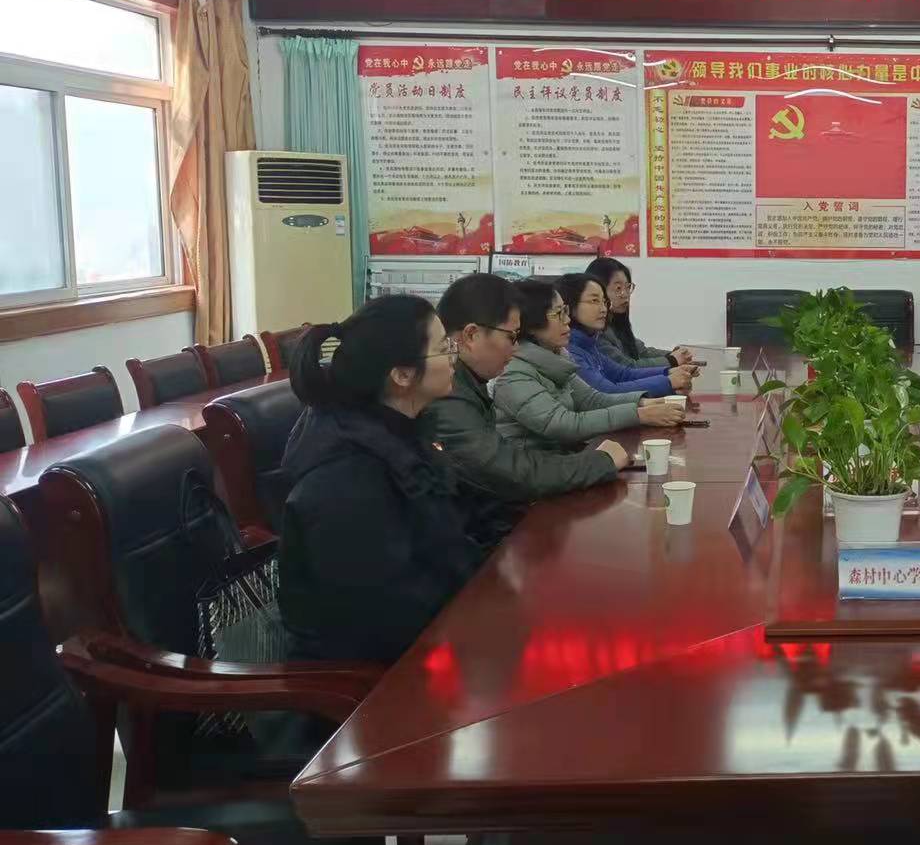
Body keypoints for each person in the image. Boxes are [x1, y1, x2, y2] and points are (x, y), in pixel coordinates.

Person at [277, 295, 482, 664]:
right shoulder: (346, 478)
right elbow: (385, 616)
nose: (454, 356)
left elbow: (444, 537)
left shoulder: (400, 430)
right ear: (402, 375)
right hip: (373, 679)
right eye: (444, 347)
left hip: (437, 634)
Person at [426, 273, 628, 543]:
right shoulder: (448, 393)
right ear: (472, 335)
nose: (515, 349)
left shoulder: (469, 382)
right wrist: (599, 462)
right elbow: (507, 470)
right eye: (512, 337)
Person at [494, 278, 686, 448]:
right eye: (558, 314)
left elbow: (592, 400)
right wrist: (640, 414)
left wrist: (646, 403)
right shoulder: (513, 373)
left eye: (565, 311)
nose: (567, 320)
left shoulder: (558, 355)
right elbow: (564, 424)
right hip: (537, 466)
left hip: (562, 456)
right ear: (530, 324)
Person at [561, 273, 694, 399]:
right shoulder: (569, 350)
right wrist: (668, 382)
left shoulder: (588, 343)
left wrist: (668, 372)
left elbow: (623, 374)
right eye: (594, 300)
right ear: (569, 305)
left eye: (604, 302)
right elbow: (607, 392)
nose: (603, 309)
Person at [584, 256, 698, 373]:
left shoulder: (616, 323)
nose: (625, 294)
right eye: (618, 288)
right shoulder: (596, 332)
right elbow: (627, 368)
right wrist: (672, 360)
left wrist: (675, 355)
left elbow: (642, 352)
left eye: (628, 287)